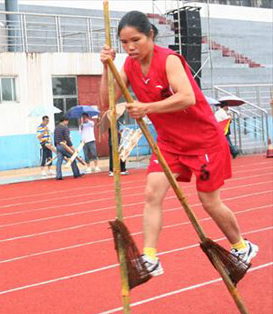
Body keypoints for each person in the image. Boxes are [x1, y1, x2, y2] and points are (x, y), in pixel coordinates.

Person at [99, 11, 258, 276]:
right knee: (152, 193)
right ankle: (150, 257)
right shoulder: (128, 65)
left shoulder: (169, 60)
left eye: (135, 40)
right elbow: (108, 101)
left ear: (150, 34)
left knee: (208, 200)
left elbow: (187, 98)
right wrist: (106, 67)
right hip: (170, 143)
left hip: (204, 140)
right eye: (124, 42)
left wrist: (147, 107)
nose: (130, 47)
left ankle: (242, 246)